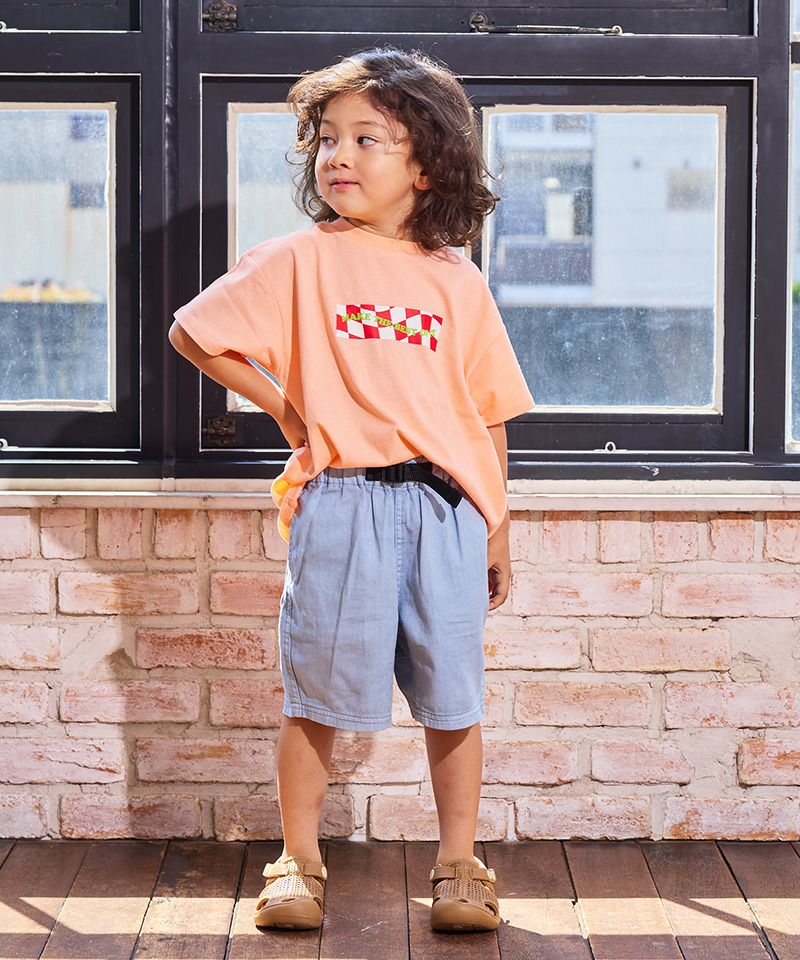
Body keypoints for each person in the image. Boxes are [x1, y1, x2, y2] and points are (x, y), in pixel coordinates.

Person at [168, 44, 534, 934]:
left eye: (368, 138)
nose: (339, 156)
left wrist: (497, 525)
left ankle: (459, 865)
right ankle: (296, 862)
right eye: (328, 138)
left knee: (453, 697)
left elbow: (488, 414)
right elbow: (194, 333)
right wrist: (287, 406)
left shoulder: (456, 278)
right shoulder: (300, 258)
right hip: (341, 501)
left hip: (447, 508)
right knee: (317, 696)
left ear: (426, 164)